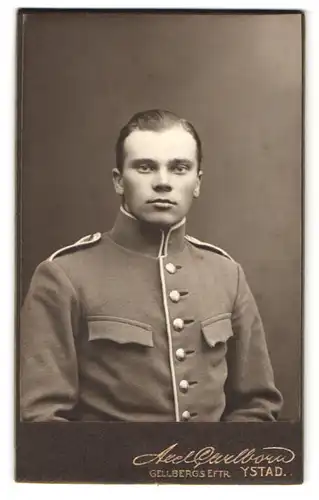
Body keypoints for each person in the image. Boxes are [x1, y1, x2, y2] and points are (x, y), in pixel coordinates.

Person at [20, 109, 283, 422]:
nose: (163, 182)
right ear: (119, 181)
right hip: (105, 470)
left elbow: (258, 405)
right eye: (145, 167)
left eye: (179, 168)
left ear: (197, 183)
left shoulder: (226, 274)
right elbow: (44, 419)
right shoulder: (64, 276)